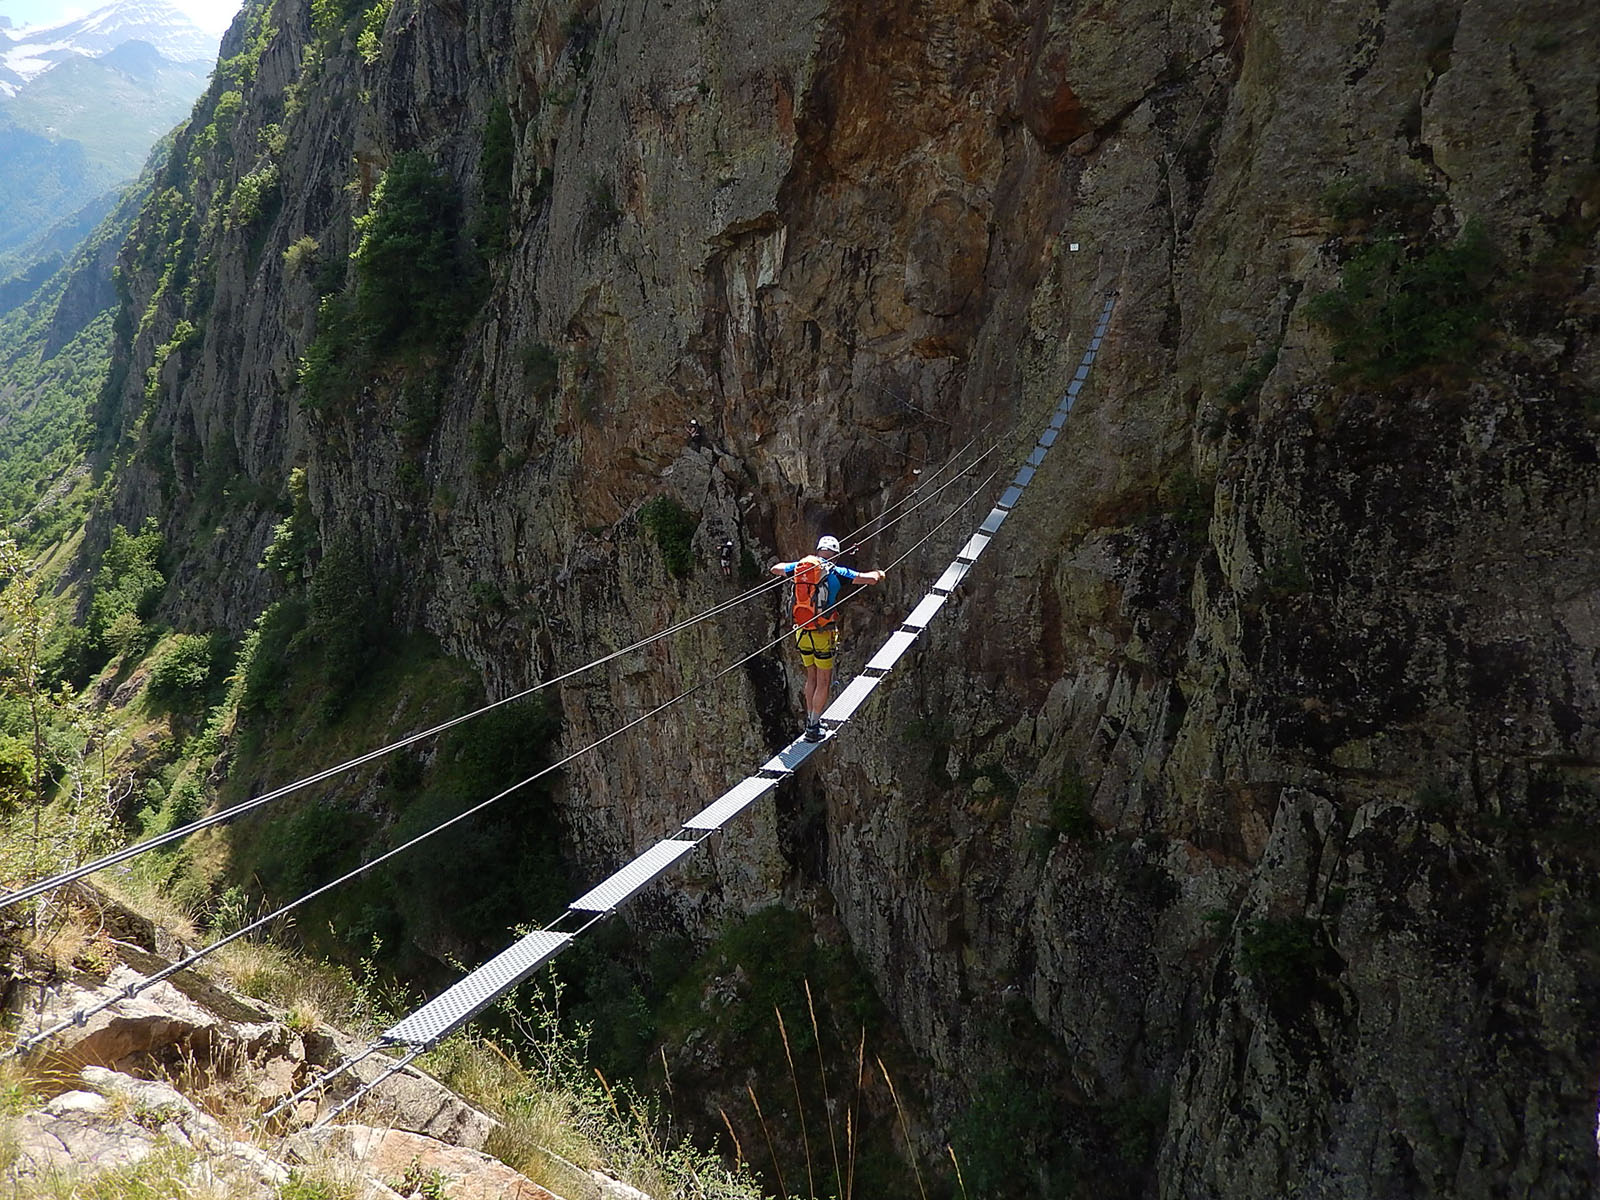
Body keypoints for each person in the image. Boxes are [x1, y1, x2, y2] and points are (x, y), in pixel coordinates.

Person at [771, 535, 885, 741]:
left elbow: (776, 568)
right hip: (823, 633)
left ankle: (810, 721)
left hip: (801, 631)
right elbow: (869, 579)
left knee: (811, 677)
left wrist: (797, 566)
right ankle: (813, 726)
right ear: (835, 554)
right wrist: (879, 573)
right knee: (823, 680)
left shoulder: (802, 567)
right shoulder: (837, 571)